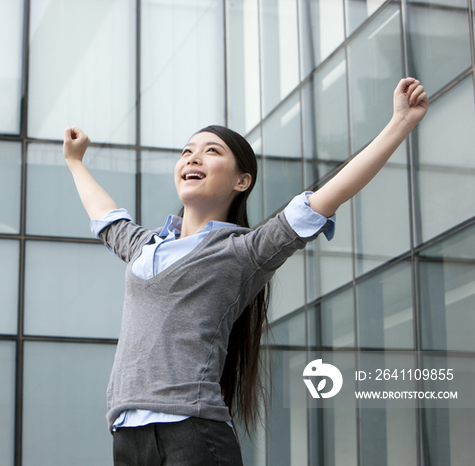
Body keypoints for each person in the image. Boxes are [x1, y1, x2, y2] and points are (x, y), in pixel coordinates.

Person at [63, 78, 428, 466]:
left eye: (211, 151)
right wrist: (74, 160)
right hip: (127, 435)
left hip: (193, 432)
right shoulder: (144, 246)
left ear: (242, 181)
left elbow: (327, 197)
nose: (192, 158)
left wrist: (400, 123)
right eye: (187, 151)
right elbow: (105, 216)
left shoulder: (243, 251)